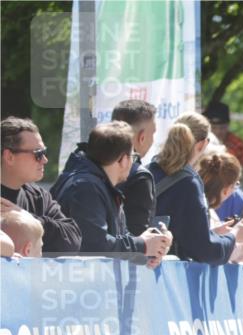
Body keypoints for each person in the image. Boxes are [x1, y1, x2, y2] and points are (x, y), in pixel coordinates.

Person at [149, 113, 243, 265]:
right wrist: (234, 235)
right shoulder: (189, 184)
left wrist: (213, 235)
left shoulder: (148, 171)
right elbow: (204, 251)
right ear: (203, 144)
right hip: (168, 276)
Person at [51, 122, 172, 266]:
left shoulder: (96, 185)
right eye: (133, 157)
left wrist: (152, 246)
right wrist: (142, 245)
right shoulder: (86, 187)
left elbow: (116, 238)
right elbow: (95, 246)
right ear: (124, 160)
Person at [0, 117, 81, 252]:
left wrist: (28, 218)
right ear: (9, 157)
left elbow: (73, 240)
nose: (45, 160)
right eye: (38, 153)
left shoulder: (39, 197)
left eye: (44, 152)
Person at [197, 149, 243, 277]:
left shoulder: (205, 208)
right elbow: (211, 251)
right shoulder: (201, 209)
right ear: (227, 190)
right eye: (236, 185)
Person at [111, 99, 158, 236]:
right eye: (153, 133)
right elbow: (139, 239)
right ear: (142, 137)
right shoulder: (139, 177)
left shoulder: (84, 163)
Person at [203, 101, 243, 191]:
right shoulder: (200, 143)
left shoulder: (238, 144)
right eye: (214, 127)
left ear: (228, 125)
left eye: (222, 128)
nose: (218, 131)